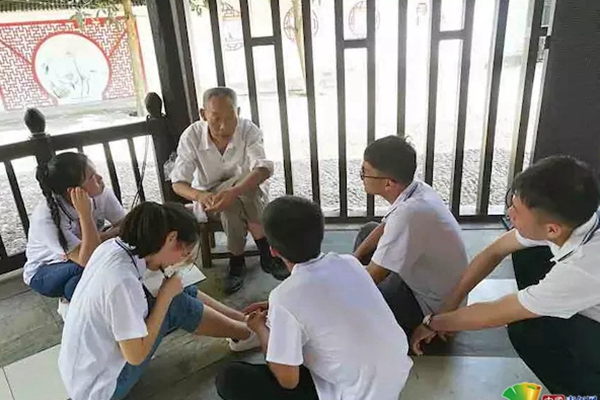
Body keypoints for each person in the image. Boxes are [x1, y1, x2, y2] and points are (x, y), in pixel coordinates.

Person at [410, 155, 600, 395]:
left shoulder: (582, 268)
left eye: (517, 211)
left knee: (525, 330)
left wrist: (432, 323)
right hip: (582, 294)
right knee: (526, 253)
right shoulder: (576, 218)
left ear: (552, 229)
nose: (509, 214)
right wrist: (449, 305)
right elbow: (495, 251)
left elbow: (497, 313)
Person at [216, 196, 413, 400]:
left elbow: (287, 380)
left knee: (230, 378)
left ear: (273, 250)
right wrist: (274, 307)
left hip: (354, 395)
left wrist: (260, 329)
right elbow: (326, 298)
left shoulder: (285, 297)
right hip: (393, 380)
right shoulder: (349, 263)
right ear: (321, 234)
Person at [59, 202, 260, 400]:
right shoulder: (122, 282)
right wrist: (165, 297)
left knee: (174, 288)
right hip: (100, 389)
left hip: (83, 372)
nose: (182, 259)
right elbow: (135, 356)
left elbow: (168, 287)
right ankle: (248, 334)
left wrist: (168, 292)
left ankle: (242, 320)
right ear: (171, 238)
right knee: (173, 302)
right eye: (184, 253)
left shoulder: (115, 248)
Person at [170, 86, 288, 294]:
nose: (223, 126)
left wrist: (234, 192)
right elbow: (178, 182)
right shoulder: (192, 136)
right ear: (203, 114)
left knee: (238, 197)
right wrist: (200, 196)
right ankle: (266, 250)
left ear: (238, 112)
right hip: (211, 197)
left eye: (230, 117)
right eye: (216, 118)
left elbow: (263, 168)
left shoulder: (248, 129)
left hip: (248, 193)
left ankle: (237, 261)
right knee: (238, 194)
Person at [353, 135, 469, 338]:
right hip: (420, 278)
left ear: (388, 184)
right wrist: (354, 259)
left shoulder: (409, 214)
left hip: (429, 305)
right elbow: (384, 226)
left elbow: (373, 275)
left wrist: (340, 280)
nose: (361, 177)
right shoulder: (417, 189)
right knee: (368, 230)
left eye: (365, 172)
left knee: (355, 307)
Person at [23, 152, 125, 301]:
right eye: (91, 177)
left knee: (77, 283)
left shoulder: (101, 192)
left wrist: (103, 236)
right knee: (102, 263)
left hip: (79, 259)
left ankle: (74, 297)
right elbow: (89, 259)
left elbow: (126, 226)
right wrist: (85, 215)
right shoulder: (47, 217)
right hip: (45, 271)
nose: (100, 178)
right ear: (74, 191)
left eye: (96, 173)